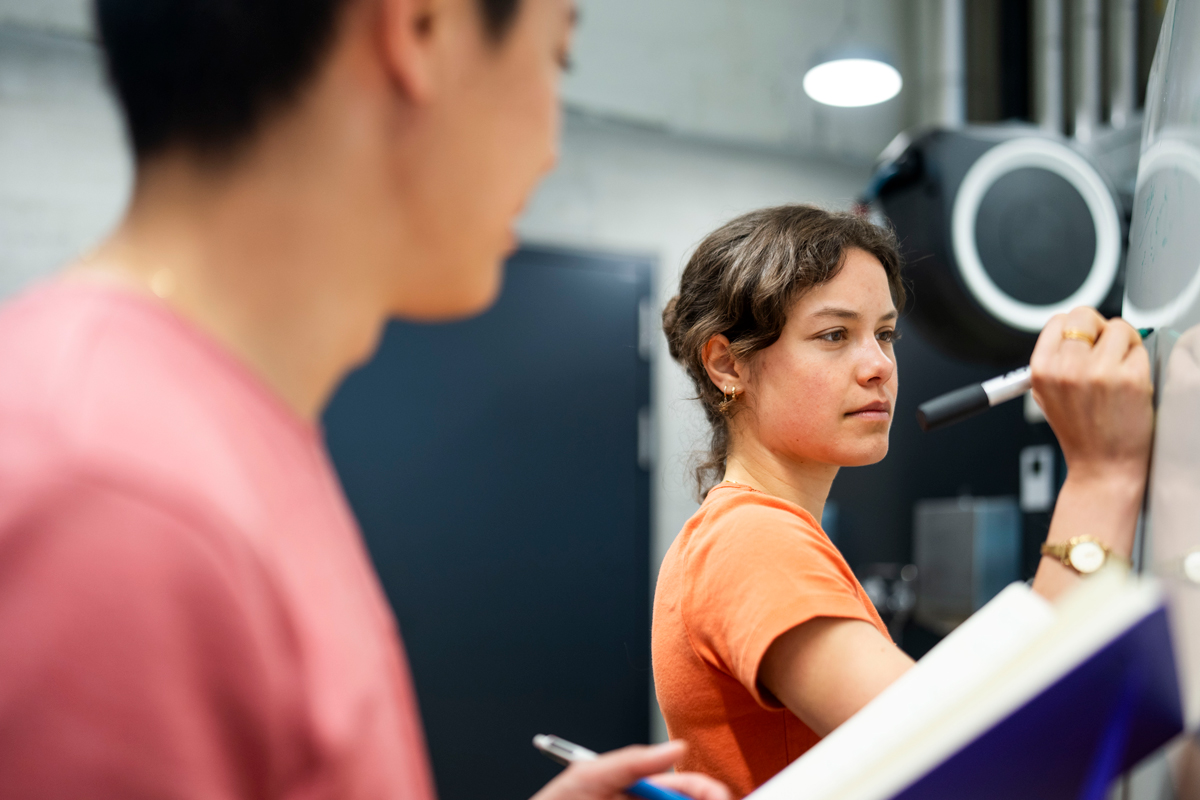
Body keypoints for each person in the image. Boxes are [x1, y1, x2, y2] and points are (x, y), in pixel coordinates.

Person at [0, 1, 731, 799]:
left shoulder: (215, 427)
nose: (554, 149)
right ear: (421, 29)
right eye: (557, 62)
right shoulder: (110, 494)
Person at [651, 204, 1154, 798]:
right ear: (727, 364)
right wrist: (1101, 477)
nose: (879, 366)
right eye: (834, 335)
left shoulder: (743, 531)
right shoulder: (749, 539)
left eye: (885, 334)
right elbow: (973, 766)